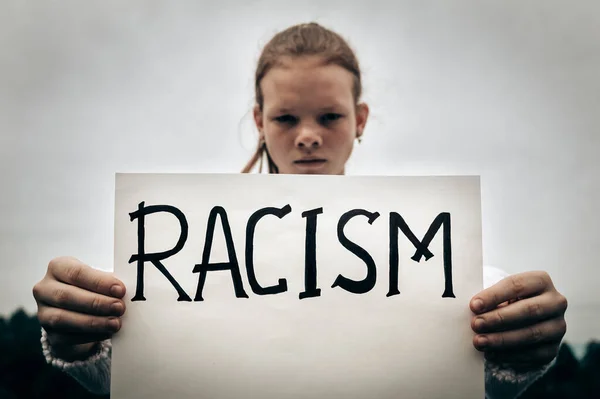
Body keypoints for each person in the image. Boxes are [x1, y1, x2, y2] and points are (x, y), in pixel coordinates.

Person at [33, 22, 568, 398]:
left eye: (329, 116)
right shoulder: (178, 255)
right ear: (260, 120)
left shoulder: (439, 260)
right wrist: (77, 339)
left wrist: (521, 350)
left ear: (360, 119)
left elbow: (474, 379)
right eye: (287, 118)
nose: (308, 136)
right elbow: (134, 380)